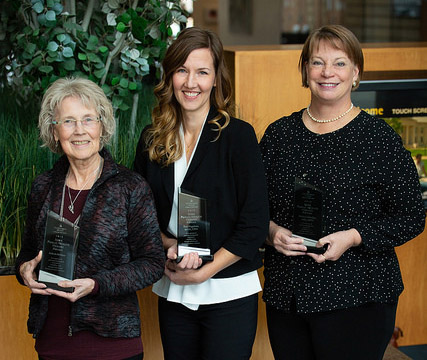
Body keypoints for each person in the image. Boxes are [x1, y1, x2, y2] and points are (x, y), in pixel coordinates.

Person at [260, 25, 425, 360]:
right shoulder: (278, 135)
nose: (327, 73)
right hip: (288, 295)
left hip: (359, 296)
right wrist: (271, 232)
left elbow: (411, 217)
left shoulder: (379, 138)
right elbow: (252, 208)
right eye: (317, 62)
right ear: (305, 70)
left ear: (355, 73)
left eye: (339, 63)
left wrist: (353, 236)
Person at [134, 27, 269, 360]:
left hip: (229, 291)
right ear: (170, 76)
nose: (190, 82)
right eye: (182, 70)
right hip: (174, 286)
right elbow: (138, 215)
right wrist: (169, 248)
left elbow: (254, 223)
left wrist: (207, 270)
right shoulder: (153, 138)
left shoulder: (238, 137)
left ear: (216, 79)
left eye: (202, 72)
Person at [15, 77, 165, 360]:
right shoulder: (43, 186)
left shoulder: (130, 187)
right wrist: (24, 271)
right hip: (53, 342)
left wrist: (96, 284)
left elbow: (152, 263)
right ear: (54, 129)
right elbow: (27, 254)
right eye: (68, 121)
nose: (79, 131)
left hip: (113, 344)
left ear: (102, 125)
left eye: (88, 119)